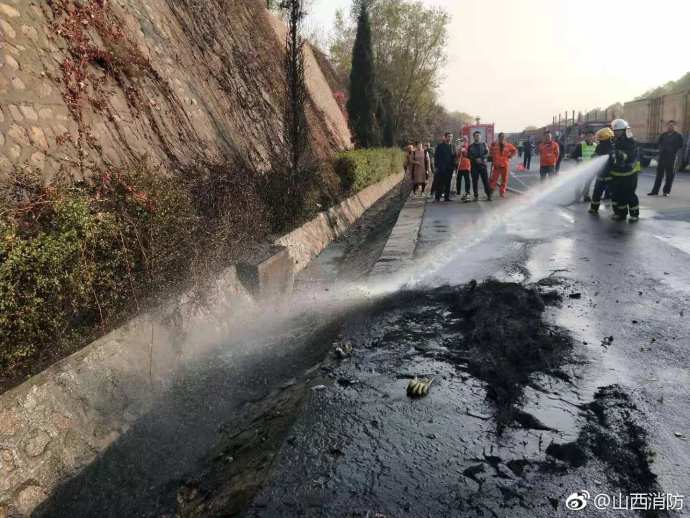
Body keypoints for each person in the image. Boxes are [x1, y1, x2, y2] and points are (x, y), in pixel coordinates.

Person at [609, 119, 640, 222]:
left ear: (625, 130)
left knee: (629, 194)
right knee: (618, 194)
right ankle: (621, 214)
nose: (616, 133)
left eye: (619, 131)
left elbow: (631, 155)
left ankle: (634, 214)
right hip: (617, 173)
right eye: (615, 131)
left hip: (629, 173)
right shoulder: (614, 140)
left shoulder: (631, 142)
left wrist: (621, 155)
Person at [649, 120, 684, 197]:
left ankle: (666, 192)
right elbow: (657, 143)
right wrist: (660, 149)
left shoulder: (678, 136)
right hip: (662, 157)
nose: (670, 127)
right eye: (669, 125)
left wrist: (674, 152)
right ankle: (655, 191)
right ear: (667, 126)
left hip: (671, 158)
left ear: (675, 127)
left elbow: (680, 146)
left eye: (672, 125)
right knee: (659, 176)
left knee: (669, 176)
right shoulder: (663, 135)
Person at [588, 127, 614, 214]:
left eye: (602, 140)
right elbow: (595, 156)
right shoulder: (602, 146)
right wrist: (594, 157)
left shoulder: (612, 147)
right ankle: (594, 208)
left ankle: (617, 211)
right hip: (602, 174)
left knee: (612, 194)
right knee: (597, 192)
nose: (601, 141)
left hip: (609, 175)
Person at [572, 129, 598, 202]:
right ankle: (577, 197)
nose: (590, 138)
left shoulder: (596, 146)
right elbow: (573, 155)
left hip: (591, 169)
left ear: (594, 137)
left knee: (588, 183)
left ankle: (586, 196)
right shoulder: (580, 145)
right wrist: (578, 158)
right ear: (585, 137)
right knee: (579, 183)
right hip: (581, 168)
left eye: (591, 136)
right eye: (588, 136)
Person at [489, 133, 517, 197]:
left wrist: (510, 156)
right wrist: (492, 157)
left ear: (504, 138)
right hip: (497, 165)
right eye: (500, 137)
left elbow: (514, 150)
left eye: (503, 137)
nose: (502, 138)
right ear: (498, 138)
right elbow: (490, 152)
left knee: (504, 179)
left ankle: (502, 192)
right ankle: (490, 192)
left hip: (505, 165)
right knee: (494, 179)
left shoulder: (508, 145)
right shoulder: (495, 145)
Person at [467, 131, 492, 201]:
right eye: (476, 136)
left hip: (483, 166)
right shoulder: (470, 146)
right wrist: (475, 159)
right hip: (474, 166)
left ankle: (488, 195)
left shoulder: (484, 144)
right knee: (475, 182)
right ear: (473, 137)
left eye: (478, 135)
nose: (477, 137)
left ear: (480, 137)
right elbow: (468, 155)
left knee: (486, 181)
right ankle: (476, 196)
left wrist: (482, 158)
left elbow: (487, 153)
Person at [434, 132, 455, 202]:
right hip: (441, 168)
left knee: (448, 183)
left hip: (450, 168)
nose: (450, 138)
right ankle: (437, 197)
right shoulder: (440, 146)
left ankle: (447, 197)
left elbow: (454, 157)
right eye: (448, 136)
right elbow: (436, 156)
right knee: (440, 183)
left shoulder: (452, 146)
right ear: (445, 137)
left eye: (451, 137)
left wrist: (454, 165)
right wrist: (436, 166)